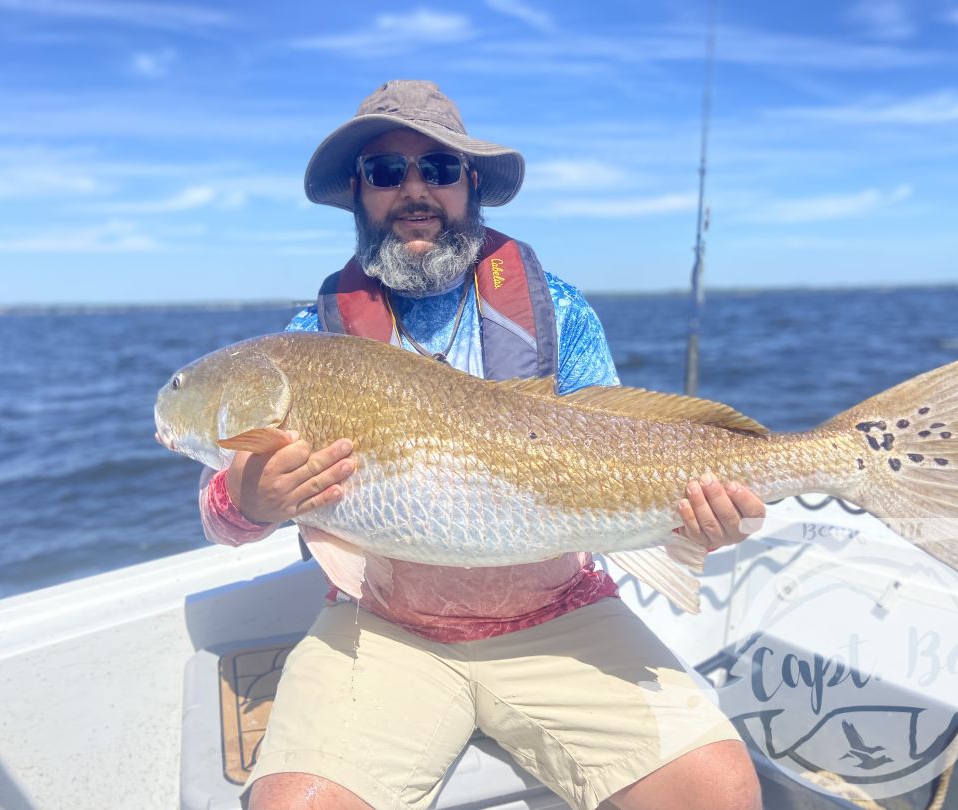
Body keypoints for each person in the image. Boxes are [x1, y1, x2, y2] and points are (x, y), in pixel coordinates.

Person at [201, 80, 766, 810]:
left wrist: (704, 523)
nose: (414, 191)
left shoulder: (557, 309)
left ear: (472, 185)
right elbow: (220, 515)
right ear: (357, 193)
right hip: (386, 628)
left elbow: (630, 449)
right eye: (385, 172)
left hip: (565, 614)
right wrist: (250, 501)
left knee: (719, 791)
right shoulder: (310, 339)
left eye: (437, 170)